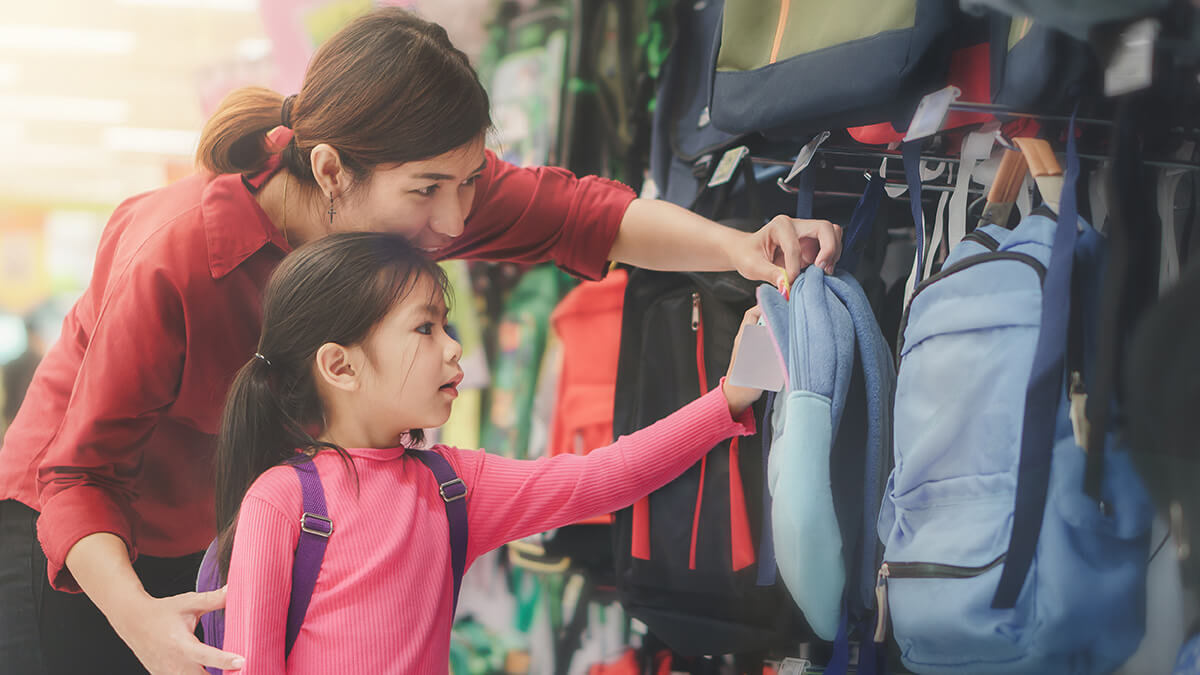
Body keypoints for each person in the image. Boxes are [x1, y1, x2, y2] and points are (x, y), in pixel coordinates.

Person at [0, 7, 841, 675]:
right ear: (330, 171)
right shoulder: (180, 253)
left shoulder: (416, 203)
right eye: (430, 191)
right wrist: (142, 622)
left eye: (469, 183)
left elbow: (587, 214)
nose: (453, 222)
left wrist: (739, 251)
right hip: (76, 540)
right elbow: (76, 474)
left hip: (210, 530)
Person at [215, 232, 764, 673]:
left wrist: (729, 399)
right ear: (341, 366)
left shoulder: (452, 486)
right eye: (425, 328)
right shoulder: (282, 502)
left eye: (446, 326)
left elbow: (605, 475)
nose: (454, 347)